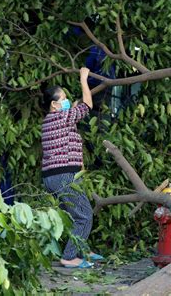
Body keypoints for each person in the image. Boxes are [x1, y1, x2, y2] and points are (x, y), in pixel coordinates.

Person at [41, 67, 104, 268]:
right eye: (63, 99)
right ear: (54, 104)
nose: (66, 101)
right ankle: (69, 258)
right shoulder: (62, 117)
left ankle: (82, 249)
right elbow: (87, 105)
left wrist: (71, 107)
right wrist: (83, 79)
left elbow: (74, 112)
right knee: (84, 215)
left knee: (73, 215)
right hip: (63, 176)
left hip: (52, 177)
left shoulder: (49, 121)